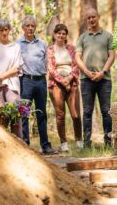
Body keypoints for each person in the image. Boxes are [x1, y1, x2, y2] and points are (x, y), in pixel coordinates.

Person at [75, 8, 115, 148]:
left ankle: (108, 143)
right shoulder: (82, 37)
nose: (91, 20)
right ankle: (86, 143)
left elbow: (112, 56)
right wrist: (86, 71)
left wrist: (103, 72)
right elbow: (77, 57)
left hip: (104, 79)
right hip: (86, 80)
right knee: (87, 111)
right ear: (86, 20)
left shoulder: (108, 36)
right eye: (88, 18)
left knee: (106, 111)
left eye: (93, 17)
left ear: (98, 17)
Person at [17, 16, 57, 155]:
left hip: (40, 81)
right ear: (23, 28)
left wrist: (45, 79)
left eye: (32, 26)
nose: (30, 28)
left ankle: (45, 145)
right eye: (27, 26)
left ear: (35, 27)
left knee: (41, 113)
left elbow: (46, 63)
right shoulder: (17, 44)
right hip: (25, 81)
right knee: (24, 113)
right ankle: (25, 144)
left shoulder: (42, 43)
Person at [47, 24, 82, 152]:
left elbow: (77, 65)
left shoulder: (71, 48)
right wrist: (62, 81)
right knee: (60, 115)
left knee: (76, 114)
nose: (61, 35)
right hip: (56, 85)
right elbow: (51, 69)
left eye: (63, 33)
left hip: (71, 83)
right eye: (59, 33)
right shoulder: (50, 50)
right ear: (54, 35)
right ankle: (64, 143)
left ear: (66, 35)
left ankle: (79, 141)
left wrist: (69, 79)